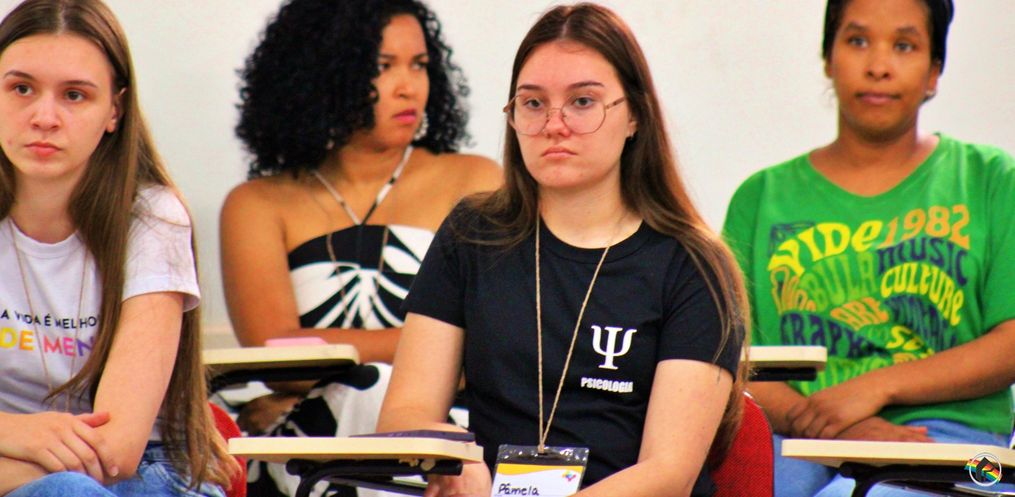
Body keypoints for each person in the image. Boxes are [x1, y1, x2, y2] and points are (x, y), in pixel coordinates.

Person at [376, 4, 749, 497]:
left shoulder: (692, 265)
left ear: (635, 115)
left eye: (582, 101)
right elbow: (403, 414)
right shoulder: (472, 235)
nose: (554, 124)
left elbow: (668, 474)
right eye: (533, 103)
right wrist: (454, 456)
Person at [722, 0, 1015, 496]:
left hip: (951, 444)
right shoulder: (759, 198)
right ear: (828, 58)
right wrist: (825, 420)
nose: (879, 65)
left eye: (904, 45)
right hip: (795, 437)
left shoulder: (990, 180)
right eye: (857, 41)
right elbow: (732, 358)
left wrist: (876, 387)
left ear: (934, 72)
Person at [220, 0, 500, 494]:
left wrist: (335, 363)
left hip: (444, 437)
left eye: (419, 64)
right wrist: (432, 347)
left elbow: (491, 344)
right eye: (382, 66)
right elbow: (275, 358)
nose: (409, 86)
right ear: (323, 72)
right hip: (308, 442)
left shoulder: (474, 182)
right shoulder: (255, 204)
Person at [0, 0, 239, 496]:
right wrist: (14, 431)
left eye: (74, 95)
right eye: (21, 88)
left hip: (148, 473)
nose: (44, 117)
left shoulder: (152, 218)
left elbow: (116, 451)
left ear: (115, 110)